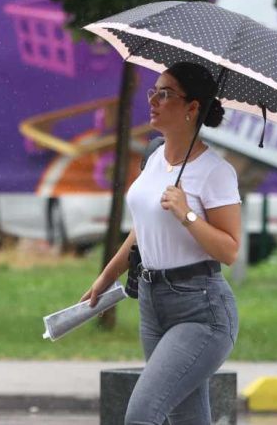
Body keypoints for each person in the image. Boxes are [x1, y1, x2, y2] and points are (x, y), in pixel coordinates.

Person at [81, 61, 241, 425]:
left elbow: (230, 250)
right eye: (153, 91)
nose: (153, 100)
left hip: (202, 311)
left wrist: (186, 214)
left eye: (165, 94)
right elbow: (143, 228)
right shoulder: (154, 157)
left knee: (142, 414)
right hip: (153, 304)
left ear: (192, 108)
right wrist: (107, 277)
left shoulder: (216, 172)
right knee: (186, 419)